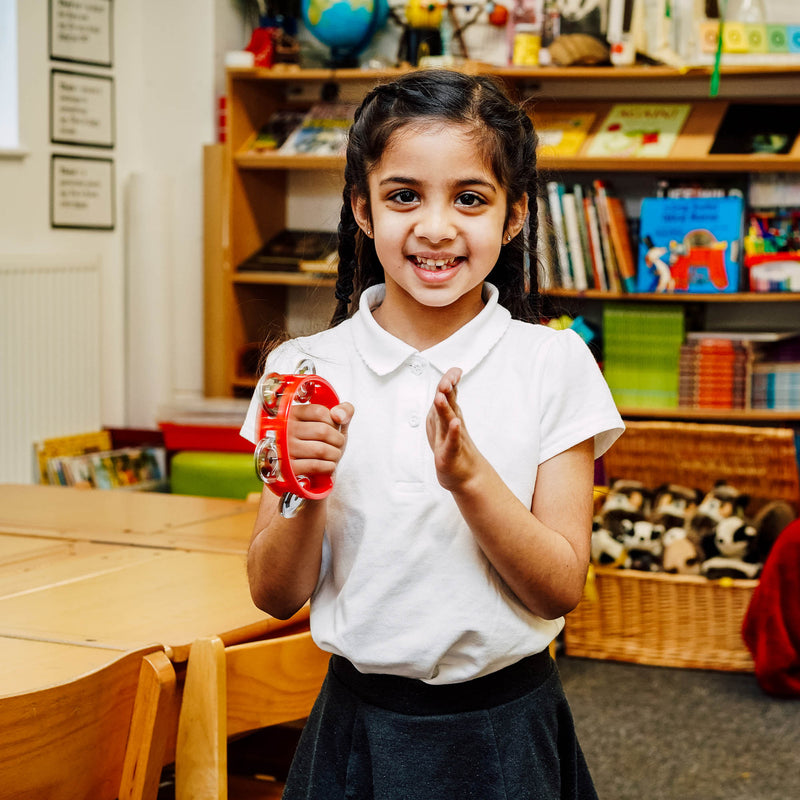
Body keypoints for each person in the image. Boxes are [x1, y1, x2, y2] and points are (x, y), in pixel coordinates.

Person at [240, 68, 624, 799]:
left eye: (470, 198)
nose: (436, 226)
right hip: (357, 729)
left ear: (513, 218)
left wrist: (472, 482)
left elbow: (558, 589)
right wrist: (306, 484)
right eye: (403, 195)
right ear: (363, 208)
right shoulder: (303, 369)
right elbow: (273, 593)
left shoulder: (554, 364)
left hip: (506, 729)